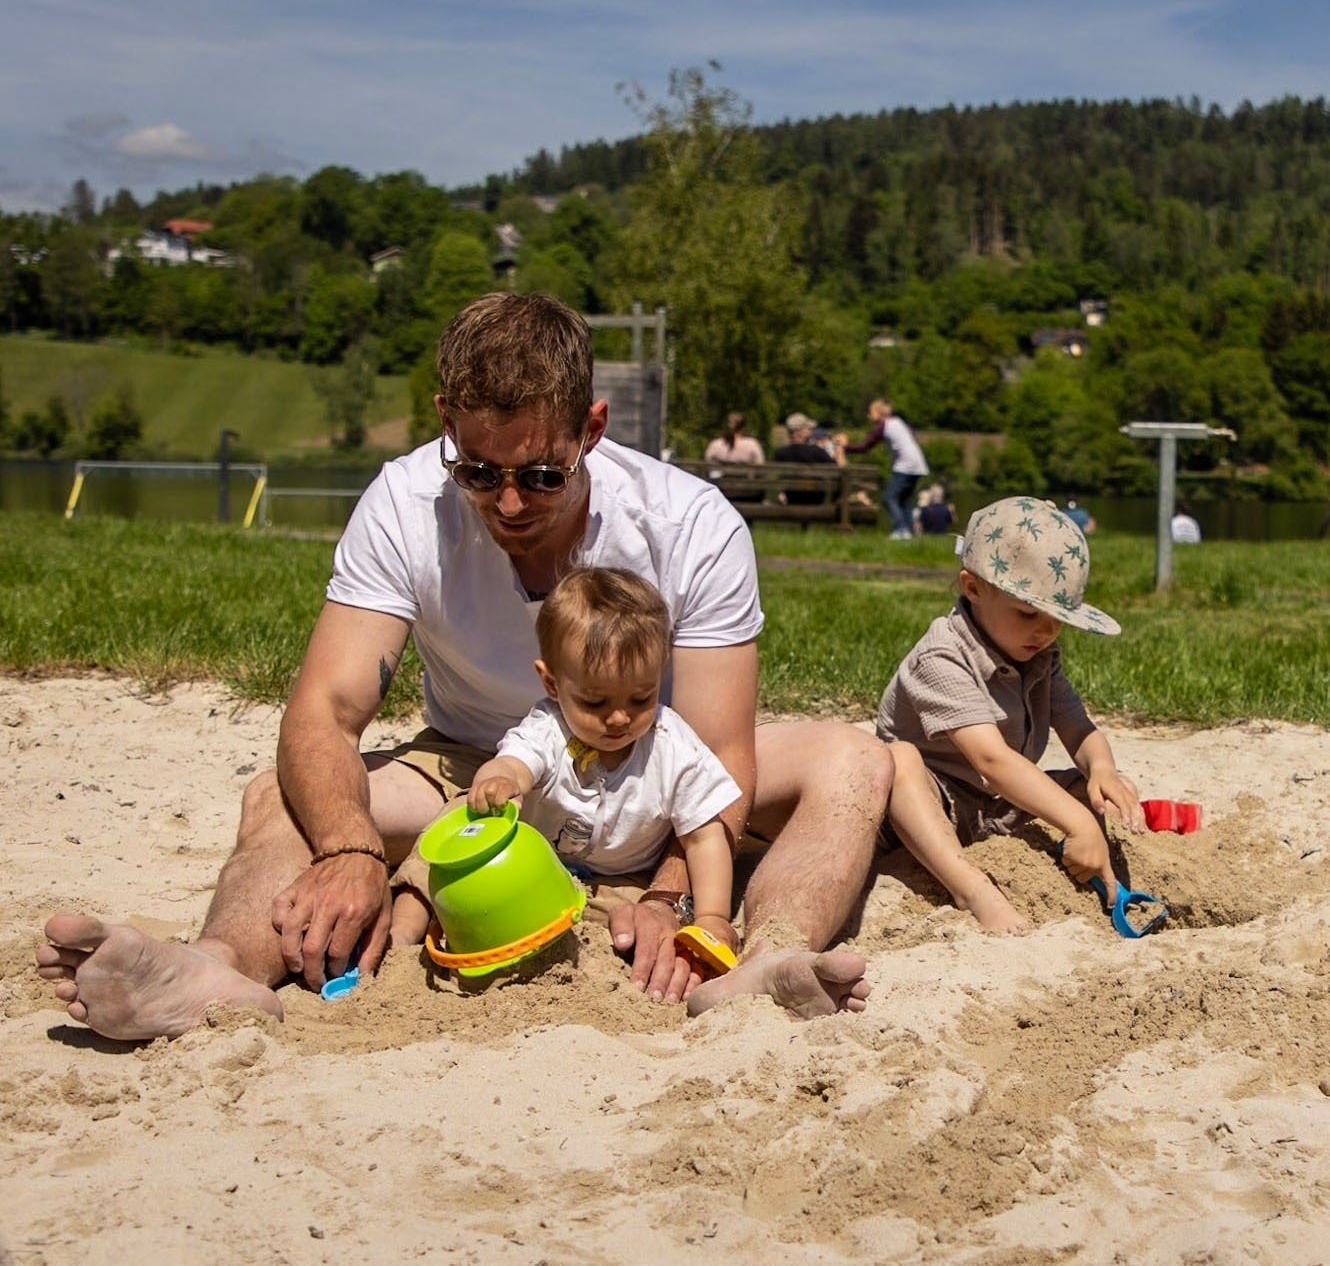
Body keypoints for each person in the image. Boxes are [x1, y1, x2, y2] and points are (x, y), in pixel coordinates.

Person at [40, 292, 886, 1040]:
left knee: (854, 761)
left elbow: (720, 752)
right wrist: (352, 849)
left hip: (655, 767)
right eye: (479, 471)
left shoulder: (691, 523)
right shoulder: (404, 504)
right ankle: (216, 968)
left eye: (543, 474)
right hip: (479, 768)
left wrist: (671, 896)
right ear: (446, 421)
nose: (510, 502)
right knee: (283, 796)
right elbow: (323, 713)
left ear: (592, 429)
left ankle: (771, 961)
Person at [388, 567, 741, 971]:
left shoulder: (671, 744)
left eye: (641, 698)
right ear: (552, 684)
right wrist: (501, 780)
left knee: (623, 926)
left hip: (623, 879)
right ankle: (403, 933)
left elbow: (704, 836)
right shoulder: (549, 727)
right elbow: (516, 762)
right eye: (595, 703)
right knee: (457, 818)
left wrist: (713, 917)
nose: (620, 719)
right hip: (531, 866)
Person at [876, 496, 1144, 933]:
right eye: (1028, 613)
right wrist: (1075, 822)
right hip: (929, 807)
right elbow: (991, 761)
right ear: (974, 588)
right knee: (898, 763)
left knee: (1089, 790)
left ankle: (1093, 877)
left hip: (995, 808)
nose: (1045, 630)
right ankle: (972, 889)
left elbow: (1079, 728)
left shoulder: (1039, 657)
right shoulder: (942, 657)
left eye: (1058, 619)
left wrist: (1103, 769)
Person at [846, 398, 928, 539]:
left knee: (888, 497)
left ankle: (901, 529)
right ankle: (910, 532)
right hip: (918, 464)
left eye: (870, 412)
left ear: (878, 413)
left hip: (905, 465)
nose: (868, 416)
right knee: (904, 500)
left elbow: (865, 447)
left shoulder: (885, 425)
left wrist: (845, 446)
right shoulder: (899, 422)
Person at [772, 412, 837, 507]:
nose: (810, 430)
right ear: (800, 431)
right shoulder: (817, 452)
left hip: (792, 499)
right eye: (808, 428)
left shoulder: (780, 453)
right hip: (815, 500)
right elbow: (836, 469)